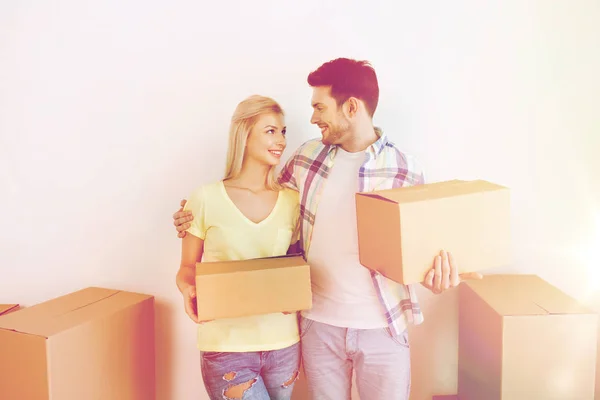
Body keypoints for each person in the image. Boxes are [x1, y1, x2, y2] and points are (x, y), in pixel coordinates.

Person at [173, 58, 482, 400]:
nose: (313, 118)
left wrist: (438, 276)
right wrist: (190, 217)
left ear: (350, 107)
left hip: (383, 328)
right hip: (319, 327)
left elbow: (423, 253)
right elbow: (260, 198)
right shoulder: (307, 159)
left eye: (320, 107)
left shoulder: (406, 171)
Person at [176, 95, 302, 400]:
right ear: (244, 135)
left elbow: (298, 264)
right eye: (270, 131)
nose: (281, 141)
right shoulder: (205, 198)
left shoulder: (292, 201)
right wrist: (188, 290)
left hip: (283, 344)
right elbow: (186, 269)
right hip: (226, 348)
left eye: (283, 132)